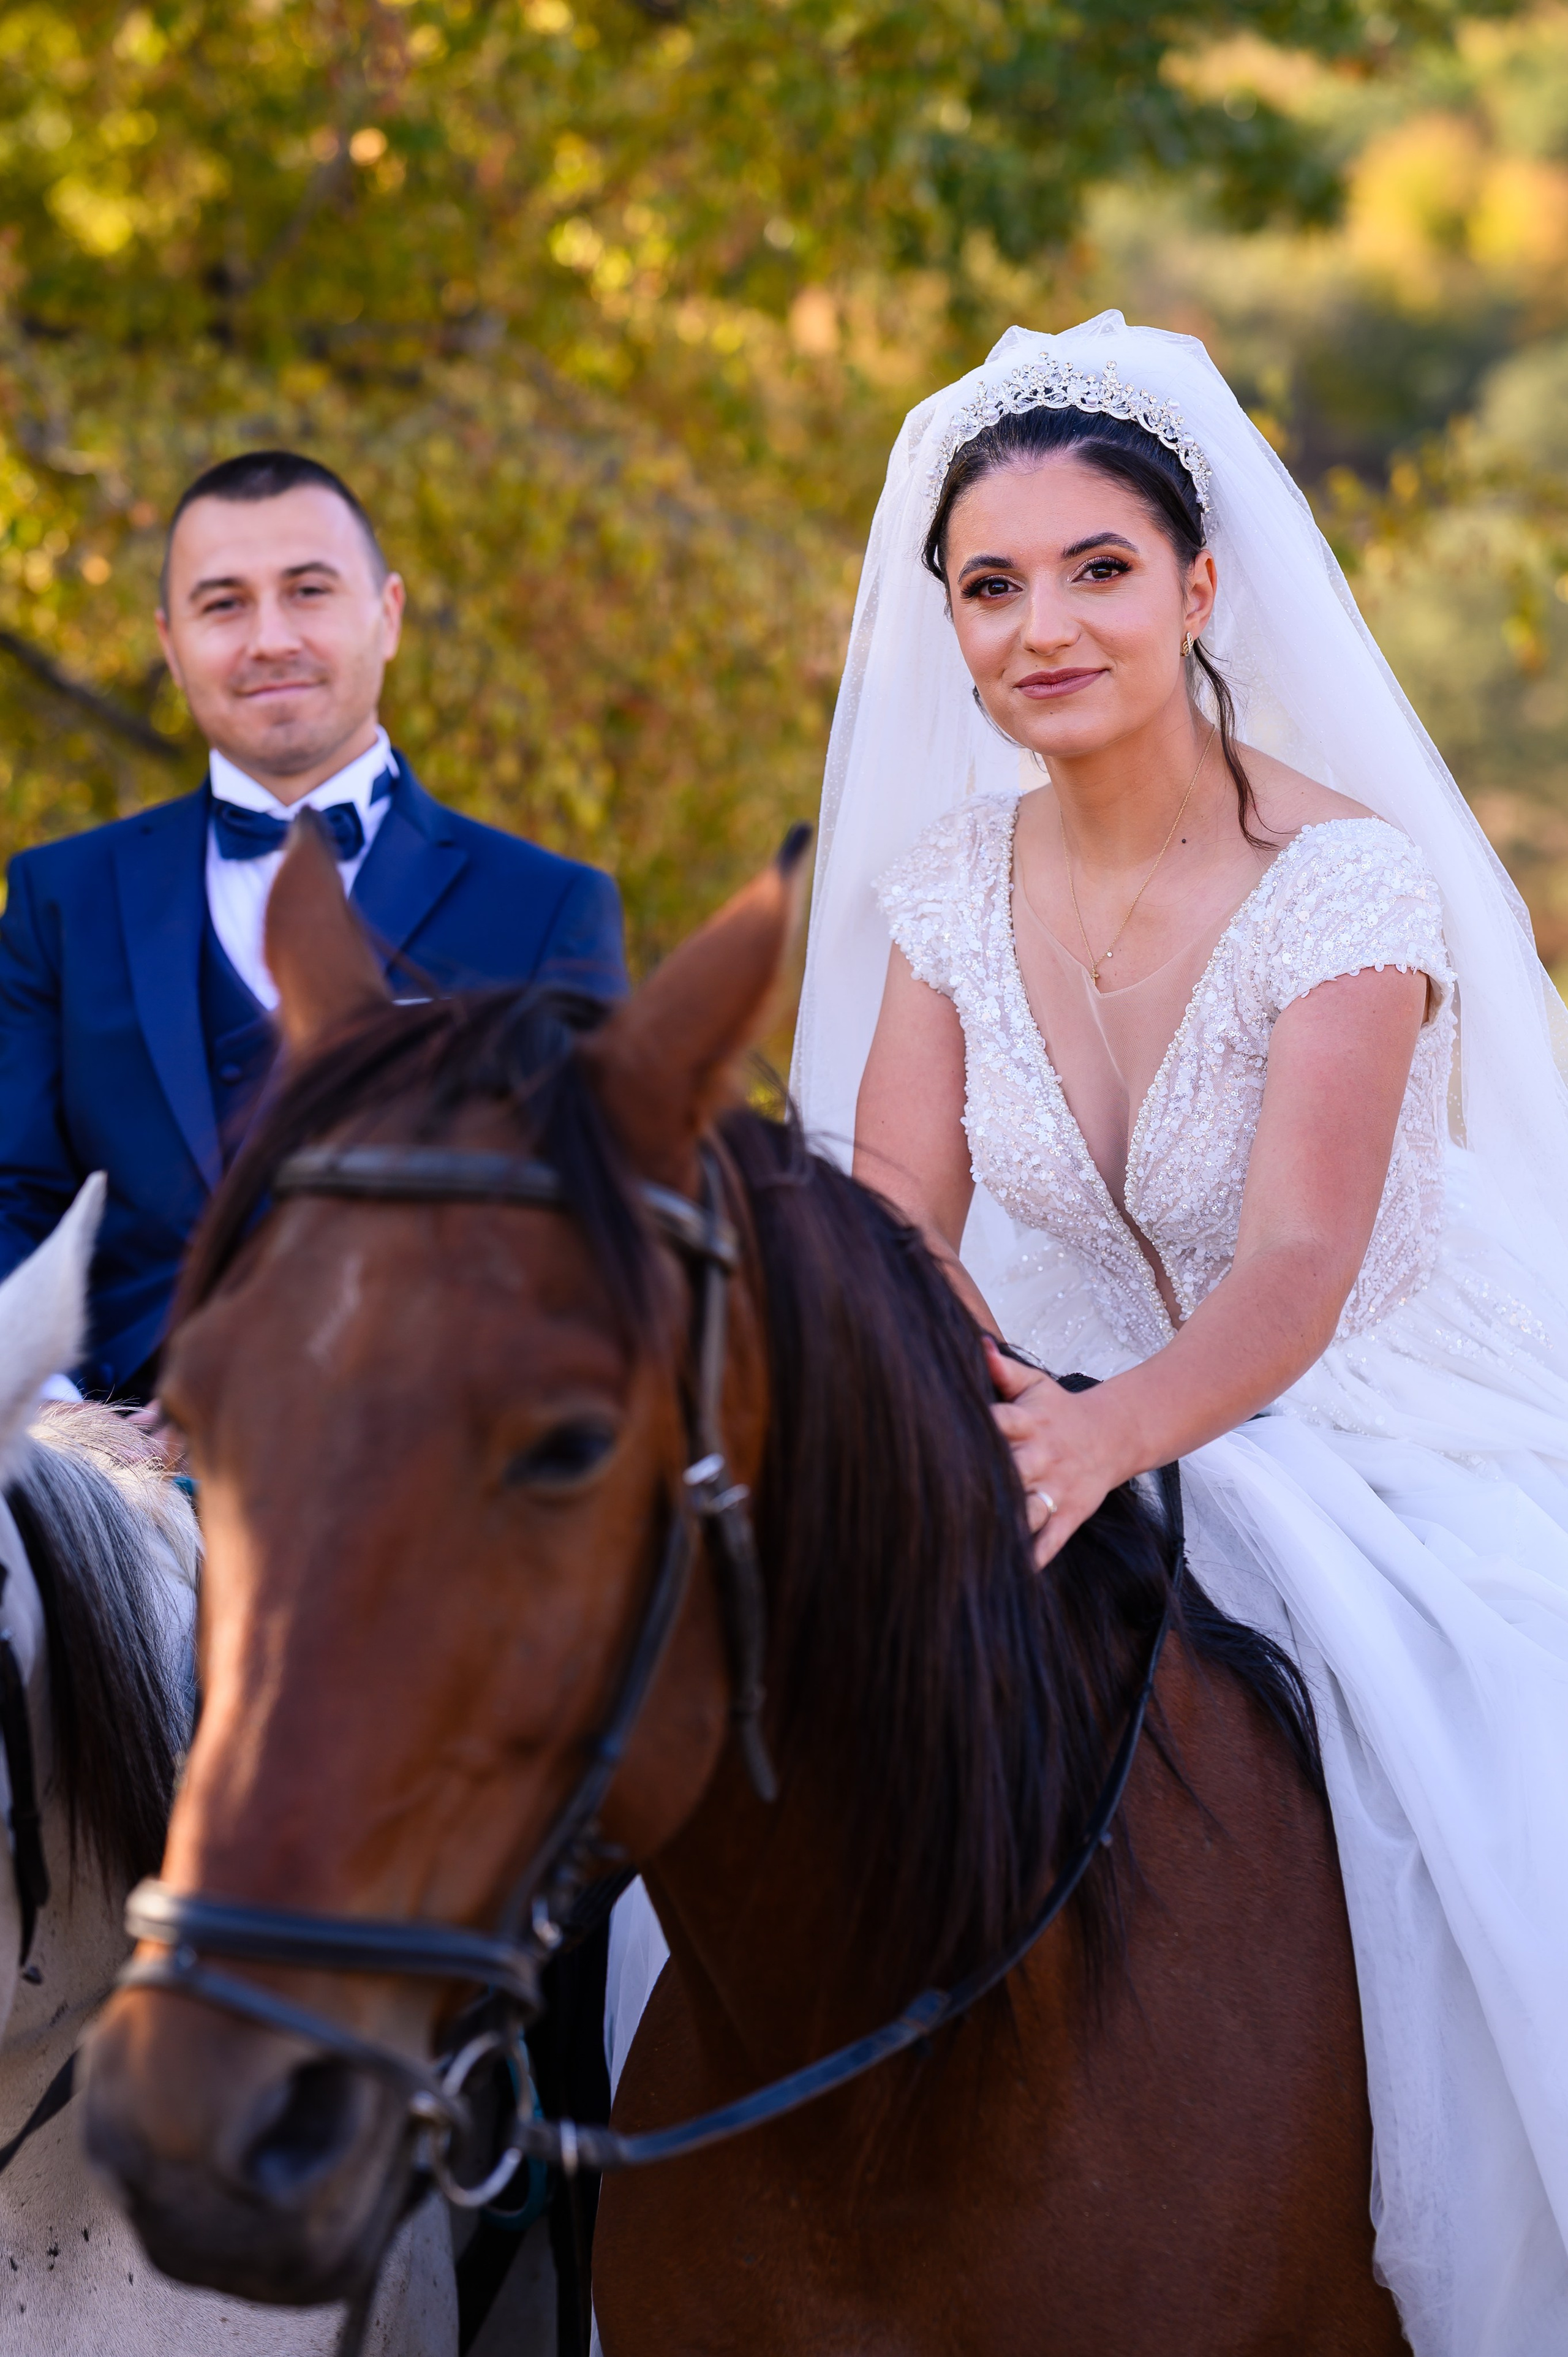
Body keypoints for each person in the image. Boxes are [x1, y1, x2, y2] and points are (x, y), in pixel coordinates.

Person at [611, 315, 1568, 2355]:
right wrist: (973, 1409)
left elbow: (1298, 1264)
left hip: (1366, 1406)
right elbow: (897, 1215)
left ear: (1201, 587)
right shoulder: (949, 885)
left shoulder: (1348, 884)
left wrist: (1104, 1436)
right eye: (992, 585)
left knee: (1516, 1758)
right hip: (1038, 1385)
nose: (1043, 625)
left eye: (1098, 569)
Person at [0, 450, 626, 1401]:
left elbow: (585, 1233)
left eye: (308, 591)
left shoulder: (547, 911)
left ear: (388, 614)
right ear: (171, 643)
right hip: (112, 1461)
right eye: (224, 605)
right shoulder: (59, 898)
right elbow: (12, 1197)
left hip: (413, 1453)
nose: (270, 638)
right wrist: (73, 1431)